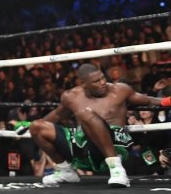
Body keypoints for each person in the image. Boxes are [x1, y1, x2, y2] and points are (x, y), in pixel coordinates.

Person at [28, 63, 171, 188]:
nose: (103, 82)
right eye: (96, 81)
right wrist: (30, 125)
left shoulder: (120, 90)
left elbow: (146, 100)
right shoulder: (71, 96)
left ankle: (116, 170)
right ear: (83, 83)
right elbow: (57, 115)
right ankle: (66, 172)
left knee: (86, 114)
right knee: (37, 126)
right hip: (84, 143)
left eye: (103, 77)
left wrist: (166, 101)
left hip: (116, 145)